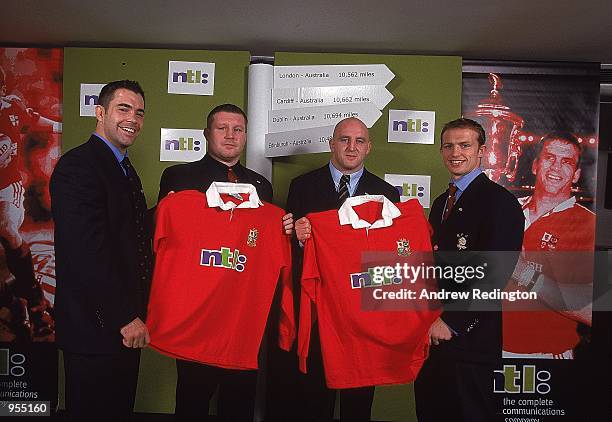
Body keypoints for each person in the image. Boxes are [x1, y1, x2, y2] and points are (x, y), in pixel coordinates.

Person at [156, 103, 293, 421]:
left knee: (239, 402)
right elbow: (160, 236)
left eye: (238, 129)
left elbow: (261, 242)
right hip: (197, 312)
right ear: (207, 134)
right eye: (222, 128)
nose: (231, 135)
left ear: (245, 136)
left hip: (244, 316)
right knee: (192, 400)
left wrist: (282, 227)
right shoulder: (179, 177)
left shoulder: (261, 186)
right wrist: (168, 208)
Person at [266, 117, 400, 422]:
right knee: (314, 397)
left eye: (359, 141)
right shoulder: (302, 186)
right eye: (344, 139)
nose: (352, 147)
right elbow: (287, 249)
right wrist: (298, 239)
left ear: (369, 147)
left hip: (363, 315)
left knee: (359, 400)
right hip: (315, 309)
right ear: (331, 143)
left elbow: (389, 259)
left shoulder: (387, 193)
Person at [50, 80, 152, 421]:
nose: (133, 119)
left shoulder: (124, 168)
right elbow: (86, 252)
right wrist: (125, 316)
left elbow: (129, 233)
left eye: (139, 112)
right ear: (100, 112)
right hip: (96, 328)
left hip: (122, 328)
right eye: (124, 109)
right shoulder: (79, 166)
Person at [414, 118, 524, 422]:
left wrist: (451, 321)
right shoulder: (440, 202)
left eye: (465, 145)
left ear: (481, 151)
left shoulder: (499, 202)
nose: (455, 152)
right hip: (433, 340)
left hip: (470, 343)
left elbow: (495, 272)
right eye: (448, 145)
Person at [503, 131, 595, 359]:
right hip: (488, 350)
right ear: (535, 165)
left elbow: (590, 311)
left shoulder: (589, 224)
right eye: (549, 158)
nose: (556, 167)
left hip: (545, 356)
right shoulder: (505, 210)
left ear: (576, 174)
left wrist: (523, 273)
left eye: (566, 162)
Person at [0, 64, 61, 342]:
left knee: (5, 228)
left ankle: (35, 300)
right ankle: (15, 305)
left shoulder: (11, 109)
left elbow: (38, 121)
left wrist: (64, 124)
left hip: (5, 189)